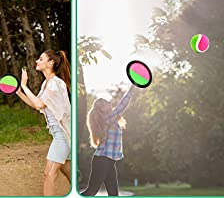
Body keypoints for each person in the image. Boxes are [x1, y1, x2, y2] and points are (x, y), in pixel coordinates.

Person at [17, 50, 71, 196]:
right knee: (71, 174)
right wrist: (20, 92)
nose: (37, 61)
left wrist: (25, 85)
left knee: (48, 174)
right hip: (58, 135)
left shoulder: (55, 84)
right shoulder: (47, 83)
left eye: (41, 59)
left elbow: (40, 104)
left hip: (62, 136)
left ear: (50, 63)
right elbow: (36, 104)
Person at [81, 85, 136, 196]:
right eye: (106, 103)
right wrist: (133, 87)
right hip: (102, 160)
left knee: (113, 194)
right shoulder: (107, 119)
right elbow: (122, 105)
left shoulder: (111, 120)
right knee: (91, 191)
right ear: (102, 109)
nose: (109, 102)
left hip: (108, 161)